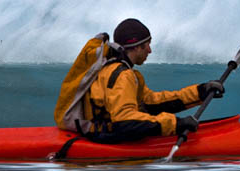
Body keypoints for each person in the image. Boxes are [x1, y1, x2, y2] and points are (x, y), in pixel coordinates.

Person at [83, 18, 226, 142]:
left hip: (106, 133)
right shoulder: (122, 75)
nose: (150, 51)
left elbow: (152, 102)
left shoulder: (121, 70)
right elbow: (125, 120)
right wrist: (175, 124)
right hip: (106, 139)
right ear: (137, 47)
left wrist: (200, 92)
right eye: (147, 45)